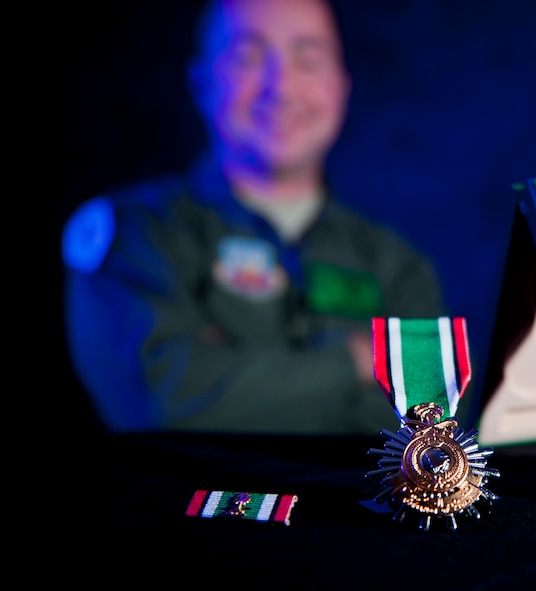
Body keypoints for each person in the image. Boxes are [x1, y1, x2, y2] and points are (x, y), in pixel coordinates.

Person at [60, 0, 446, 436]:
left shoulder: (401, 267)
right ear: (201, 83)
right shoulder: (136, 234)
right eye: (248, 58)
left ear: (341, 87)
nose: (280, 87)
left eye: (308, 60)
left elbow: (432, 432)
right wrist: (359, 361)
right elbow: (153, 402)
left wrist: (234, 383)